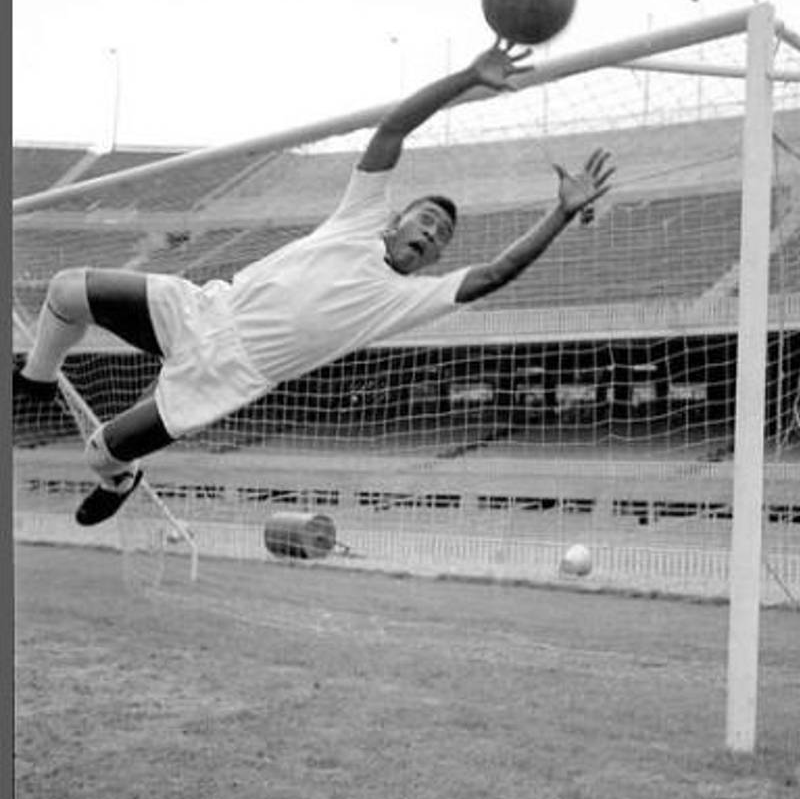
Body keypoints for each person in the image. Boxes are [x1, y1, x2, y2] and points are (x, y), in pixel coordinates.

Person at [14, 38, 614, 526]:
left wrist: (561, 212)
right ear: (396, 220)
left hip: (226, 375)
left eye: (441, 236)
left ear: (435, 257)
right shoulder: (359, 219)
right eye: (426, 219)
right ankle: (37, 378)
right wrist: (467, 77)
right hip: (203, 309)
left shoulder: (407, 298)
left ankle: (120, 480)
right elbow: (391, 131)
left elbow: (495, 273)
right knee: (66, 290)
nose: (432, 233)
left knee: (100, 453)